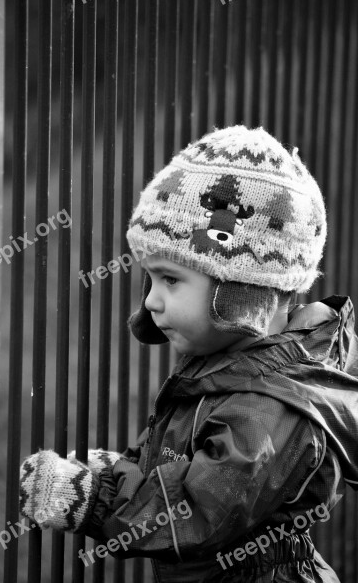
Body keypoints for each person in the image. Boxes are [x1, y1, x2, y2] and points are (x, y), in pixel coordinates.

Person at [20, 126, 358, 582]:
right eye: (151, 280)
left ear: (240, 289)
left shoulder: (273, 404)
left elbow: (196, 512)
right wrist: (116, 470)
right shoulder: (226, 367)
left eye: (171, 279)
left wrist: (92, 499)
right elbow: (182, 464)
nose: (151, 302)